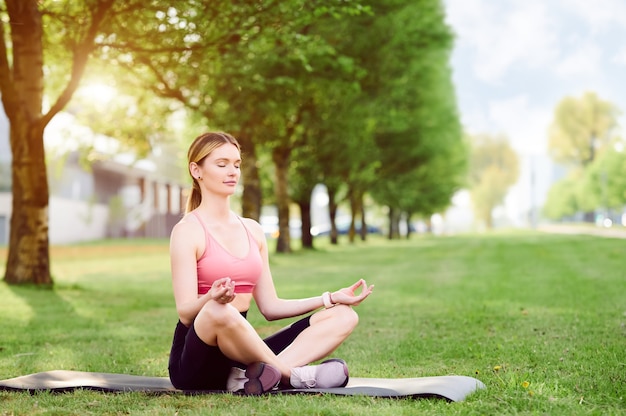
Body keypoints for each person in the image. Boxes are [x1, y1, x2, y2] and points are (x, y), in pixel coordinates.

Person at [168, 132, 374, 394]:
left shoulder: (252, 230)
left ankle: (251, 377)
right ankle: (292, 375)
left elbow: (271, 307)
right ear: (196, 170)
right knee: (217, 310)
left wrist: (330, 298)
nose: (232, 171)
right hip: (196, 360)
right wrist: (211, 296)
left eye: (237, 164)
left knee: (343, 315)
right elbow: (186, 313)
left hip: (240, 353)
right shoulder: (187, 230)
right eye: (222, 164)